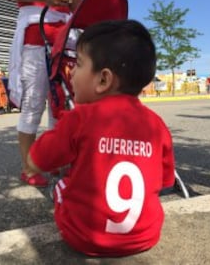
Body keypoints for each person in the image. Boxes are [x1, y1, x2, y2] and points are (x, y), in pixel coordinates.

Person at [26, 20, 175, 256]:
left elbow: (38, 160)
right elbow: (166, 182)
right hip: (145, 237)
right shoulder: (157, 125)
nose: (71, 72)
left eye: (79, 64)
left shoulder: (80, 117)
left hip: (84, 238)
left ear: (103, 80)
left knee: (62, 184)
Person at [6, 0, 82, 187]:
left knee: (62, 105)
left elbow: (79, 4)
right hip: (36, 38)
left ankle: (55, 159)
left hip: (67, 41)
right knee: (33, 105)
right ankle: (28, 167)